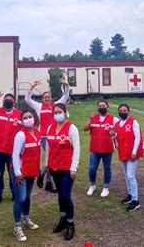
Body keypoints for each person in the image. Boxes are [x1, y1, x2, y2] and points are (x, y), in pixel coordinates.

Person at [25, 78, 70, 193]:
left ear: (51, 98)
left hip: (55, 136)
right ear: (42, 99)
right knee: (51, 158)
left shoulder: (57, 105)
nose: (47, 98)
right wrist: (31, 87)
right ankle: (45, 177)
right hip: (44, 136)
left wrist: (67, 86)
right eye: (45, 97)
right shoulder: (38, 106)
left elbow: (65, 96)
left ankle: (46, 179)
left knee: (52, 158)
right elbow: (27, 99)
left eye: (49, 97)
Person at [46, 103, 80, 241]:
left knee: (66, 196)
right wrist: (47, 165)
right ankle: (63, 219)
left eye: (60, 112)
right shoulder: (50, 127)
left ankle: (71, 223)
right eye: (55, 112)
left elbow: (77, 148)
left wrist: (74, 168)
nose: (57, 114)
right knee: (60, 195)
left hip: (67, 168)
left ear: (65, 113)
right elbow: (48, 147)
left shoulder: (71, 128)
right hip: (54, 168)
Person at [11, 110, 41, 242]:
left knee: (27, 197)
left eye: (30, 116)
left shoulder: (37, 132)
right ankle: (17, 226)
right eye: (25, 117)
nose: (28, 119)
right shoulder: (20, 134)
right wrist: (17, 173)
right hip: (20, 172)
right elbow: (15, 154)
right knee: (21, 198)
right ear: (22, 121)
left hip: (31, 171)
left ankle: (26, 219)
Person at [83, 100, 119, 197]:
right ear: (97, 108)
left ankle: (106, 187)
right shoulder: (93, 118)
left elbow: (119, 132)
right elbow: (84, 128)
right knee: (92, 168)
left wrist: (114, 134)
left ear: (107, 107)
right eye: (99, 106)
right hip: (95, 149)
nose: (101, 107)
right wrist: (90, 120)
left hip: (107, 149)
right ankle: (92, 185)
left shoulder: (114, 119)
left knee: (107, 168)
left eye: (103, 105)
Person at [114, 104, 143, 212]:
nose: (122, 112)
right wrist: (114, 135)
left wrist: (134, 152)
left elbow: (137, 138)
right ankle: (130, 195)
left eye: (124, 110)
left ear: (128, 111)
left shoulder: (133, 122)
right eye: (121, 110)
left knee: (131, 175)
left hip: (132, 153)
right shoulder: (118, 124)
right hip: (123, 152)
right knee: (126, 175)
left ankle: (136, 201)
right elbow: (119, 136)